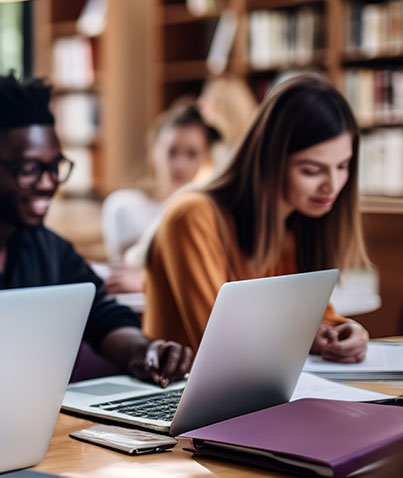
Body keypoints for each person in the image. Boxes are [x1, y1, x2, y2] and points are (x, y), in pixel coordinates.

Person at [0, 73, 192, 388]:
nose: (49, 184)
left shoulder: (51, 250)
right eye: (29, 170)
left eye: (55, 167)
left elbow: (103, 317)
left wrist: (145, 351)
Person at [144, 75, 371, 362]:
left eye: (342, 166)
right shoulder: (192, 216)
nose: (333, 185)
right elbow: (221, 342)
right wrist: (302, 335)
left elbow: (317, 319)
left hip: (253, 395)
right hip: (179, 395)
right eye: (311, 170)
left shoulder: (300, 223)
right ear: (269, 162)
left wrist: (348, 331)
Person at [101, 98, 217, 293]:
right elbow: (131, 273)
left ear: (205, 157)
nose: (180, 164)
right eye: (172, 152)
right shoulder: (124, 206)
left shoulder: (205, 209)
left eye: (192, 154)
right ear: (154, 150)